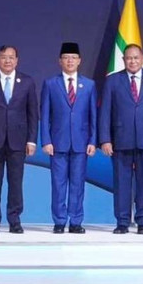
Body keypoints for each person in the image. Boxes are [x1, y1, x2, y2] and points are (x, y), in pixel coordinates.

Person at [99, 44, 143, 235]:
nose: (133, 61)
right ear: (123, 60)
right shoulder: (113, 81)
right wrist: (105, 139)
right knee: (121, 183)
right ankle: (122, 221)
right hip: (121, 140)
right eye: (129, 58)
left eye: (136, 58)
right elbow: (105, 112)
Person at [0, 45, 38, 234]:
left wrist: (32, 140)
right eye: (4, 57)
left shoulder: (27, 82)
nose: (8, 61)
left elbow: (33, 114)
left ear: (17, 60)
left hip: (18, 141)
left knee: (16, 183)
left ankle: (14, 220)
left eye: (11, 57)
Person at [40, 42, 97, 234]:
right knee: (58, 184)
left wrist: (92, 140)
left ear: (79, 61)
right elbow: (45, 114)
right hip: (57, 143)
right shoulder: (50, 84)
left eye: (73, 57)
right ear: (60, 61)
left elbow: (92, 116)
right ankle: (59, 221)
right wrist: (46, 140)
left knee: (78, 183)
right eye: (66, 57)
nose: (70, 61)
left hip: (81, 143)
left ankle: (76, 221)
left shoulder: (89, 85)